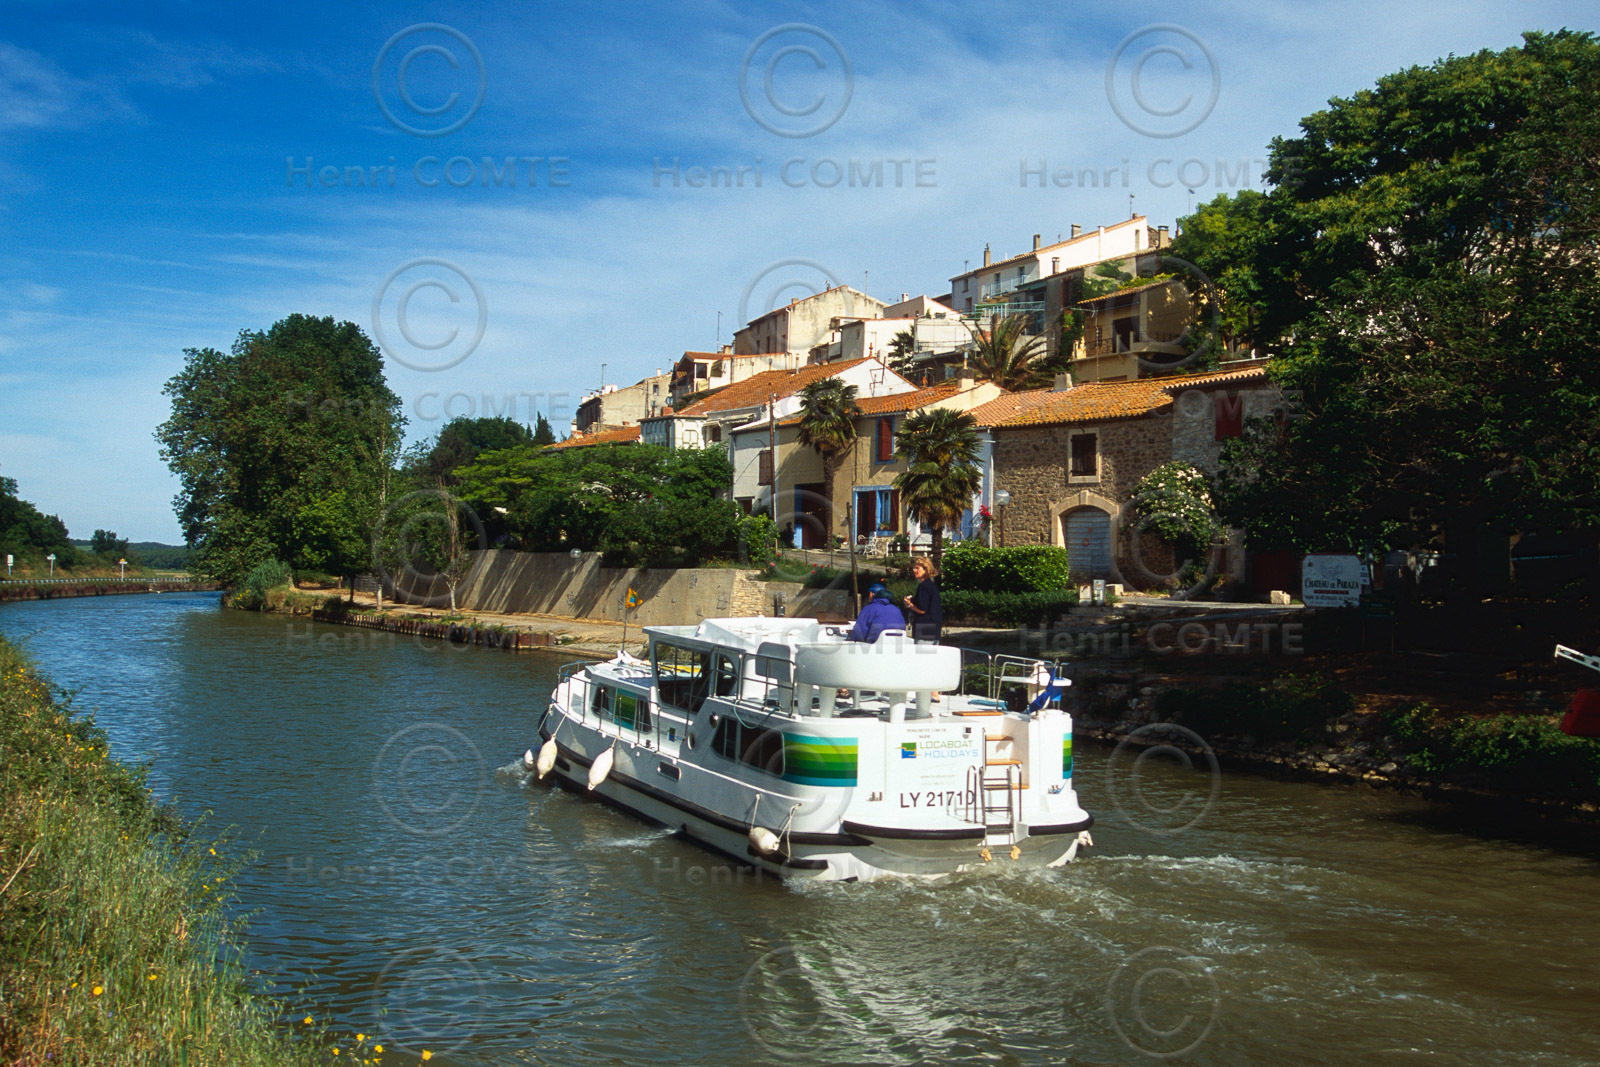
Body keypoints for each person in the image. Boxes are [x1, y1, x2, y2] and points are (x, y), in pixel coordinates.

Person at [902, 555, 942, 643]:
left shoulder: (923, 586)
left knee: (922, 656)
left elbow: (922, 609)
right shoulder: (931, 585)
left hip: (924, 630)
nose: (914, 570)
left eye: (917, 568)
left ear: (925, 570)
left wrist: (909, 604)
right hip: (934, 629)